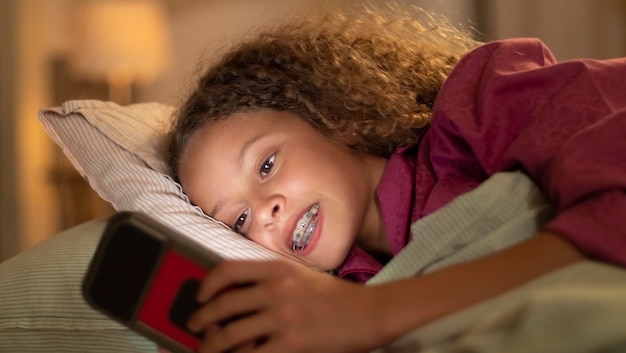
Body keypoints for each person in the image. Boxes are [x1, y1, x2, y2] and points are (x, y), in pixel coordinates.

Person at [165, 3, 626, 353]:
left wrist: (377, 313)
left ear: (334, 116)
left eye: (266, 166)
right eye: (240, 220)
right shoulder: (329, 301)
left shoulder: (479, 102)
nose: (266, 212)